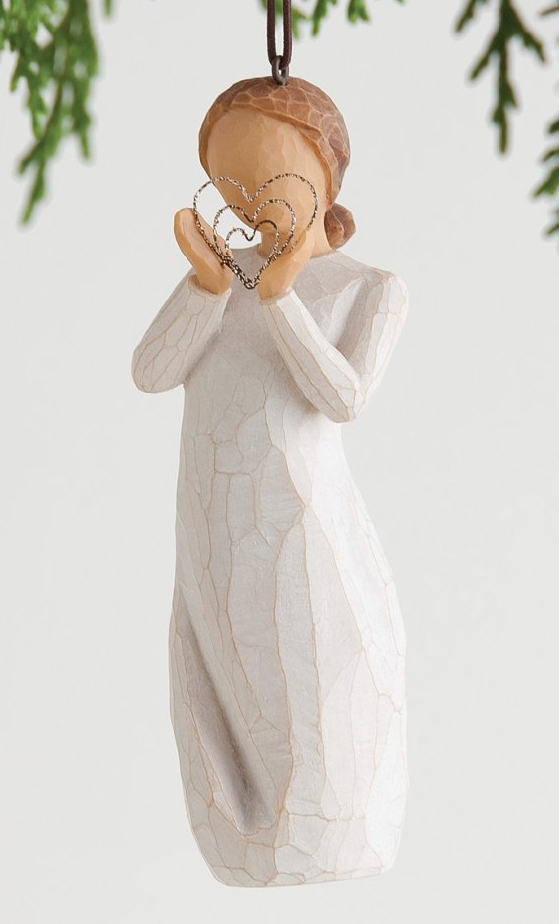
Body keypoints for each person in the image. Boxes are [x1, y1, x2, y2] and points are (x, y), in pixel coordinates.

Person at [132, 76, 409, 886]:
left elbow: (342, 397)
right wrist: (208, 286)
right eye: (231, 187)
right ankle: (243, 836)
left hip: (305, 539)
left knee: (312, 691)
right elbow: (151, 372)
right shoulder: (222, 282)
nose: (250, 204)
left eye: (271, 180)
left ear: (325, 174)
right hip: (210, 532)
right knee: (217, 680)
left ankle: (331, 833)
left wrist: (281, 298)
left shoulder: (367, 287)